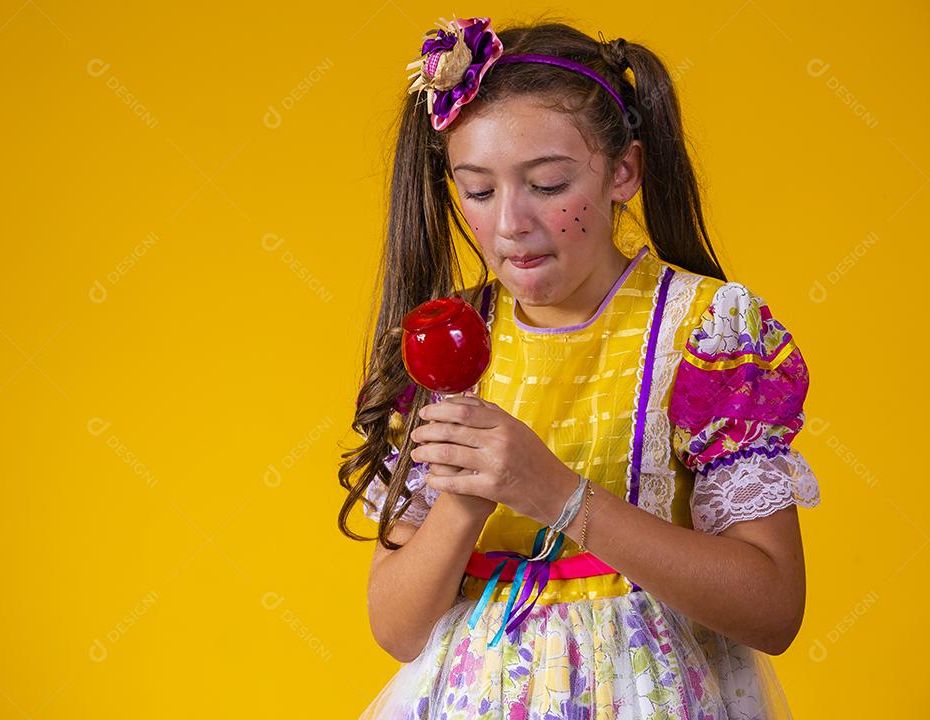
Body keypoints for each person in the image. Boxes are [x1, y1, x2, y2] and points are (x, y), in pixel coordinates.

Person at [337, 15, 821, 719]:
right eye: (477, 191)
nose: (510, 222)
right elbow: (397, 627)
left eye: (548, 183)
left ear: (623, 170)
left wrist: (558, 495)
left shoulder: (703, 332)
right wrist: (471, 495)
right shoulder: (443, 345)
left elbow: (773, 609)